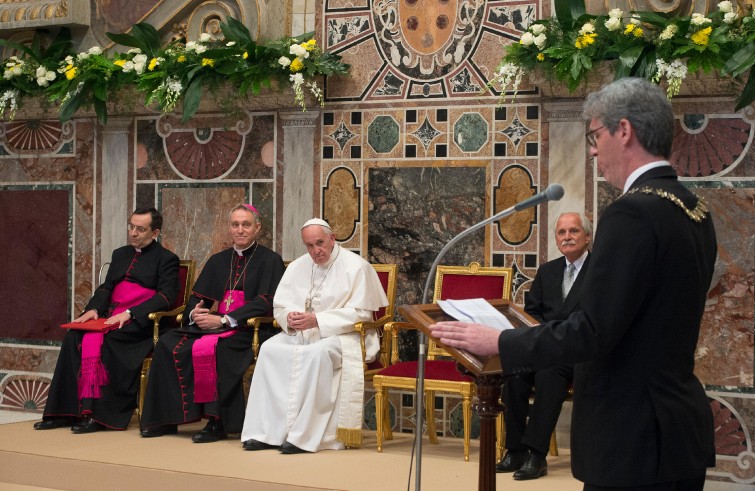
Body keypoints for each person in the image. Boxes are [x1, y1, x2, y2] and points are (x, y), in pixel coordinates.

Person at [431, 78, 717, 490]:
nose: (593, 149)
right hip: (676, 425)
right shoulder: (693, 209)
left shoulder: (631, 214)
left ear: (624, 130)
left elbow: (593, 330)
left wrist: (499, 342)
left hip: (630, 434)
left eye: (595, 135)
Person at [139, 204, 285, 443]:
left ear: (257, 228)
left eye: (246, 225)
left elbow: (265, 302)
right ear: (229, 228)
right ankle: (166, 419)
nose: (240, 230)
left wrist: (225, 319)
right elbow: (199, 297)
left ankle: (217, 422)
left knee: (216, 350)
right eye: (235, 225)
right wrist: (195, 314)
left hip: (248, 329)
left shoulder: (270, 260)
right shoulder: (218, 260)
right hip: (212, 325)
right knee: (167, 343)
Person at [240, 218, 388, 454]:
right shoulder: (298, 266)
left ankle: (305, 437)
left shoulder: (356, 266)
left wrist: (318, 320)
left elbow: (362, 314)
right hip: (303, 332)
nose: (315, 251)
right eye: (309, 245)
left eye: (319, 243)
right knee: (269, 349)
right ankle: (266, 433)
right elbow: (280, 306)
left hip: (344, 336)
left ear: (332, 238)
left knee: (318, 354)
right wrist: (289, 318)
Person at [35, 207, 180, 433]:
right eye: (131, 226)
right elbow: (107, 287)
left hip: (140, 324)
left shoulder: (167, 259)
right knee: (74, 336)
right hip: (112, 316)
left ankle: (100, 416)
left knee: (109, 340)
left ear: (155, 233)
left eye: (140, 229)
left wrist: (130, 313)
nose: (133, 233)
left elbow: (166, 297)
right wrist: (93, 309)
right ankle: (66, 412)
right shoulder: (120, 254)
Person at [497, 212, 592, 480]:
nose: (567, 237)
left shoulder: (600, 270)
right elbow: (531, 313)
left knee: (550, 374)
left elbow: (597, 318)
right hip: (544, 346)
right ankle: (514, 449)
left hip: (578, 352)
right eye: (561, 232)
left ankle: (536, 455)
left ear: (587, 236)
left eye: (573, 231)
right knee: (514, 372)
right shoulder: (547, 271)